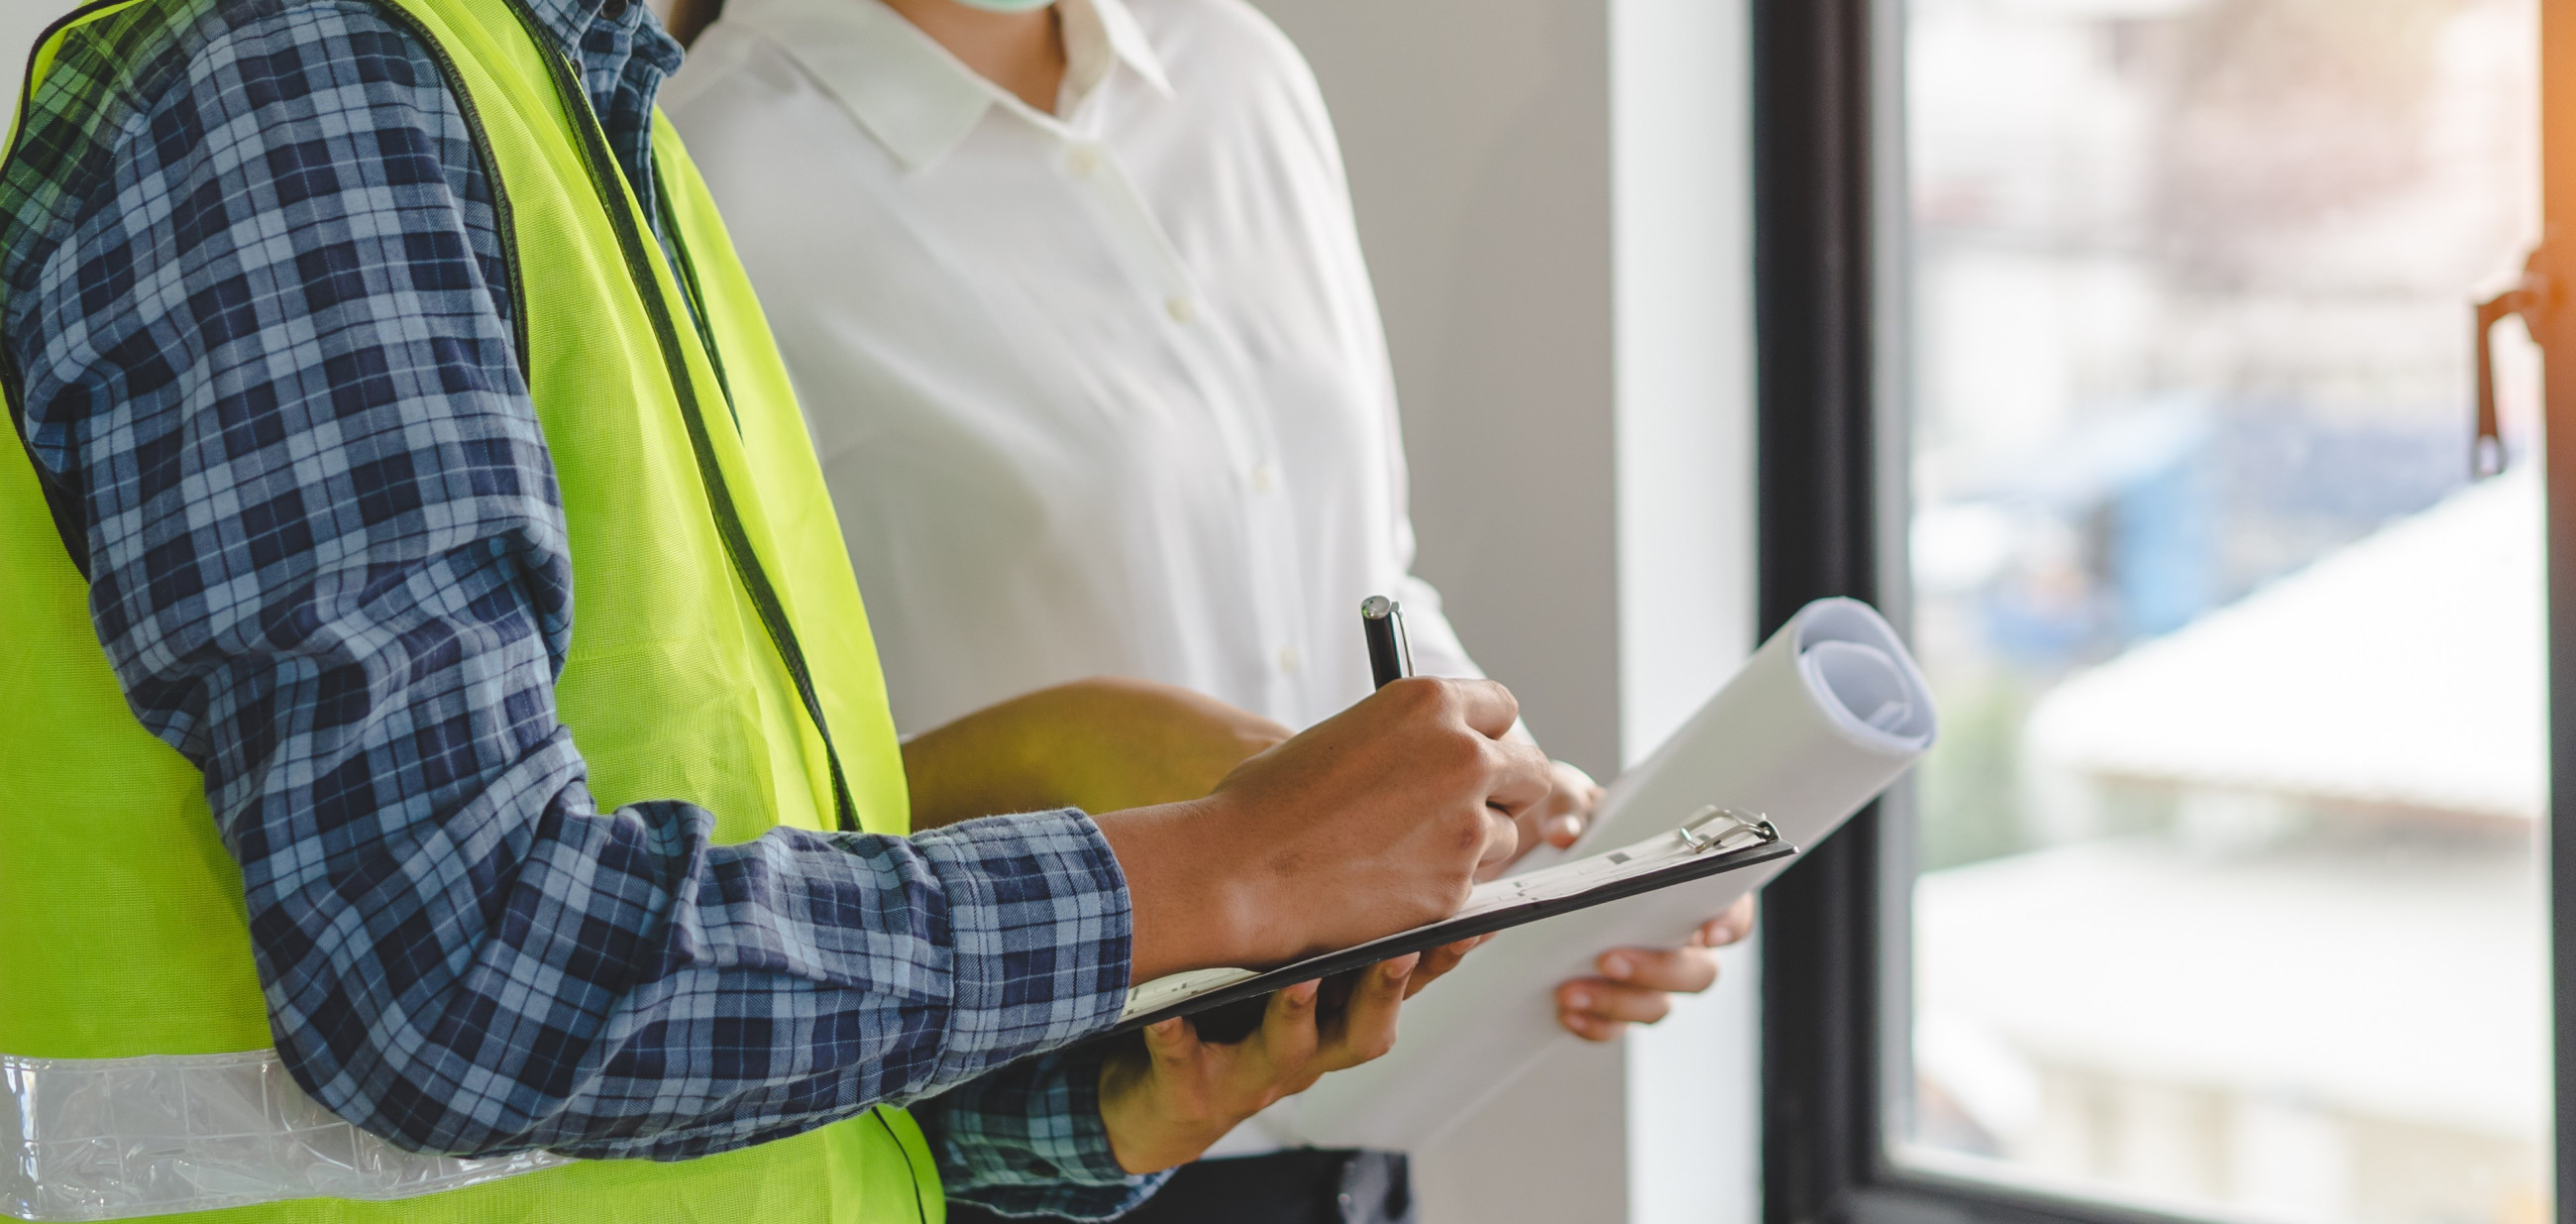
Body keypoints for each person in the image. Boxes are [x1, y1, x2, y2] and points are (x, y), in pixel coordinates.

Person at [0, 1, 1551, 1221]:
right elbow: (456, 970)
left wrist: (1083, 1107)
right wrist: (1222, 869)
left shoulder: (594, 116)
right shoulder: (293, 93)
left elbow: (711, 860)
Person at [659, 0, 1758, 1218]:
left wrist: (1535, 828)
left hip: (1348, 1103)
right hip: (1044, 1135)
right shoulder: (712, 160)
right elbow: (747, 770)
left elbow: (1367, 571)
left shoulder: (1237, 68)